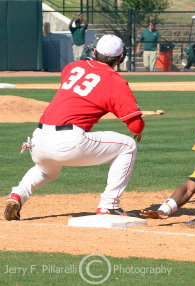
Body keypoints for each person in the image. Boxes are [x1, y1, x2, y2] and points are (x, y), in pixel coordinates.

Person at [4, 35, 145, 221]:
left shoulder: (72, 68)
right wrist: (137, 127)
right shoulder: (115, 81)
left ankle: (17, 196)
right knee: (128, 145)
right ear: (119, 59)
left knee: (46, 170)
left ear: (94, 52)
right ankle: (109, 205)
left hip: (38, 139)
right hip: (70, 141)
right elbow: (135, 126)